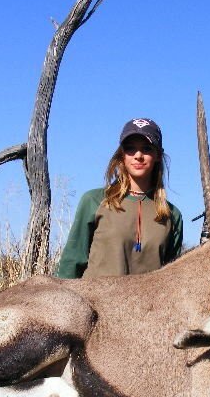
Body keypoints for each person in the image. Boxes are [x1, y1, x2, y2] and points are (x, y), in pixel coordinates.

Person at [56, 118, 183, 279]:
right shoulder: (94, 201)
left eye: (147, 149)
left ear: (158, 155)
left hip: (148, 304)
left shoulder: (172, 214)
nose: (138, 156)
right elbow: (71, 263)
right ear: (122, 155)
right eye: (130, 149)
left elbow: (172, 278)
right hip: (93, 302)